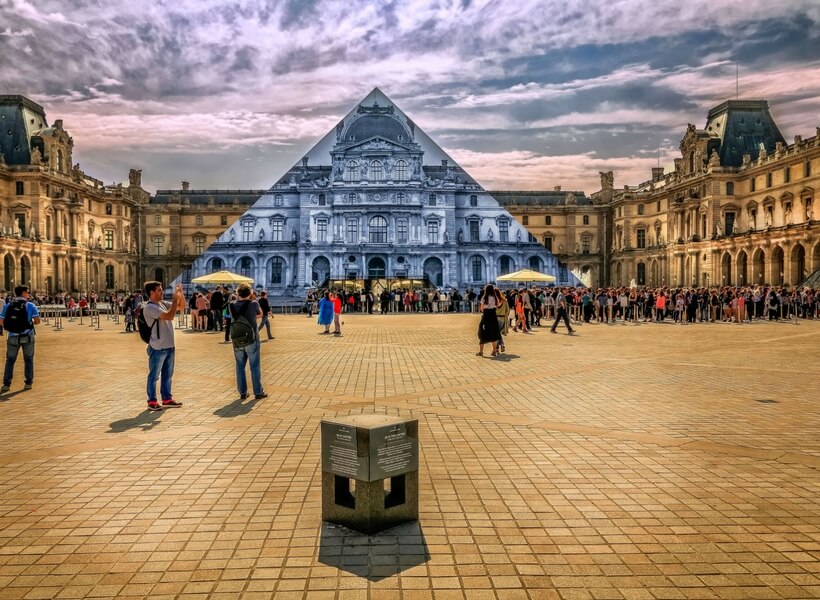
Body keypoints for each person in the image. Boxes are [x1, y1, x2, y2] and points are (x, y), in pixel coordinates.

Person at [142, 281, 185, 411]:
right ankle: (152, 401)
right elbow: (170, 316)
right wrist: (174, 300)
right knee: (154, 376)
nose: (162, 292)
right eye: (159, 290)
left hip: (169, 345)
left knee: (168, 375)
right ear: (152, 293)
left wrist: (180, 294)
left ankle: (167, 398)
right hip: (157, 347)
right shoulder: (149, 307)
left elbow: (181, 307)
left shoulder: (162, 304)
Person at [229, 283, 268, 400]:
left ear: (238, 293)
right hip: (252, 339)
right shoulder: (254, 303)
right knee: (254, 366)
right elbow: (261, 314)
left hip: (237, 339)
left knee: (240, 366)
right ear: (250, 293)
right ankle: (258, 392)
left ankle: (242, 392)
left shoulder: (231, 305)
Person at [0, 285, 41, 392]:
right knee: (28, 359)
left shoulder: (8, 305)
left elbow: (1, 321)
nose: (29, 294)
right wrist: (28, 323)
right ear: (23, 293)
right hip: (27, 336)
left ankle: (6, 384)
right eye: (27, 292)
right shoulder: (31, 306)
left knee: (10, 360)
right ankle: (28, 382)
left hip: (13, 336)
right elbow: (37, 321)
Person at [476, 284, 502, 357]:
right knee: (494, 332)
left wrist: (485, 309)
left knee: (482, 331)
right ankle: (494, 351)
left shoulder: (484, 297)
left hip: (486, 315)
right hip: (493, 316)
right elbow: (497, 306)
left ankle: (481, 351)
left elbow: (481, 308)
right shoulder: (495, 297)